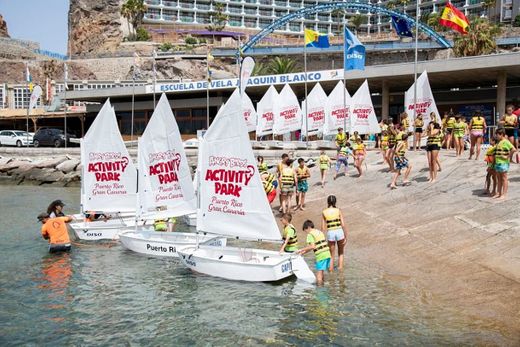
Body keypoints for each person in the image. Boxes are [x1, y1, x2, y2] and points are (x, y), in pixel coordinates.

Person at [298, 219, 332, 285]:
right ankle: (323, 285)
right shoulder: (319, 232)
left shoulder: (310, 234)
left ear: (307, 228)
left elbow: (312, 246)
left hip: (321, 255)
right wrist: (303, 252)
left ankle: (319, 290)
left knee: (319, 274)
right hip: (327, 253)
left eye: (305, 231)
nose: (306, 233)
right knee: (322, 272)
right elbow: (314, 247)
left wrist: (301, 249)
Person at [321, 195, 347, 272]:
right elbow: (343, 224)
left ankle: (331, 272)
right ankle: (340, 271)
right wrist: (346, 236)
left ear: (327, 202)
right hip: (339, 231)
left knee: (331, 255)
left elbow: (323, 228)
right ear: (335, 202)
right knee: (341, 253)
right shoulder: (338, 210)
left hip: (331, 233)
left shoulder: (324, 212)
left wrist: (322, 240)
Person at [494, 128, 515, 199]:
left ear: (501, 134)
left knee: (504, 178)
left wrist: (507, 157)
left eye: (497, 135)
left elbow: (513, 149)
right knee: (499, 179)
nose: (496, 136)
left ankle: (504, 194)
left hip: (503, 163)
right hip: (497, 162)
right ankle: (499, 193)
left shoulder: (506, 141)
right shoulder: (498, 142)